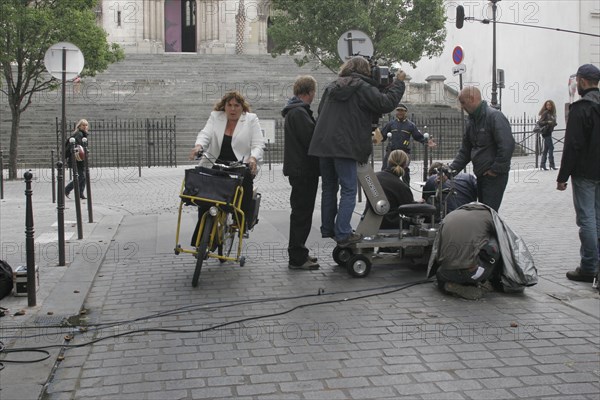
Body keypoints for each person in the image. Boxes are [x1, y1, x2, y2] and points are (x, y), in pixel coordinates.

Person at [308, 56, 407, 247]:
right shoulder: (362, 87)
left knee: (329, 188)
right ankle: (344, 232)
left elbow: (321, 111)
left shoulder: (332, 87)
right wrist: (399, 84)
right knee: (349, 189)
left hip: (323, 144)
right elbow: (385, 104)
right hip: (345, 146)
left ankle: (328, 228)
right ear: (365, 70)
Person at [189, 91, 265, 234]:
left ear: (242, 107)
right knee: (204, 196)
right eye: (229, 105)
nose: (233, 109)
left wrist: (253, 158)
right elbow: (205, 134)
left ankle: (242, 222)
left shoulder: (251, 119)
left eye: (236, 105)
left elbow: (258, 144)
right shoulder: (216, 117)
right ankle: (202, 232)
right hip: (215, 163)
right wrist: (199, 146)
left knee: (246, 183)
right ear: (224, 106)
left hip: (240, 165)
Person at [427, 203, 538, 300]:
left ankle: (450, 285)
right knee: (495, 242)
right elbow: (508, 240)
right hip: (473, 273)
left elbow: (437, 250)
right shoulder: (489, 216)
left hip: (444, 273)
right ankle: (484, 281)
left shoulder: (449, 216)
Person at [556, 63, 600, 284]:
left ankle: (589, 266)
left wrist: (562, 176)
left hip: (585, 171)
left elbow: (572, 145)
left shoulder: (581, 108)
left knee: (587, 220)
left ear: (582, 81)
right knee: (598, 218)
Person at [448, 86, 515, 212]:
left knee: (488, 214)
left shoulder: (494, 116)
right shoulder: (472, 121)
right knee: (484, 213)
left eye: (463, 102)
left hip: (493, 176)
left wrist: (495, 169)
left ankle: (491, 232)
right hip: (482, 174)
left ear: (472, 99)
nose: (462, 107)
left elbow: (507, 145)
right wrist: (450, 171)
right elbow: (465, 151)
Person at [282, 76, 320, 270]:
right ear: (310, 92)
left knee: (301, 212)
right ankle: (297, 257)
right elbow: (311, 139)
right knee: (301, 214)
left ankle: (300, 252)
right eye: (314, 92)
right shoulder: (299, 112)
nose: (315, 95)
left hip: (300, 169)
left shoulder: (296, 111)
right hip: (303, 170)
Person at [380, 103, 435, 184]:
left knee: (405, 171)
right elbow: (382, 136)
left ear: (406, 112)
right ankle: (386, 187)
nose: (400, 112)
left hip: (404, 152)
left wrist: (426, 142)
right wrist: (375, 137)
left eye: (402, 111)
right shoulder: (390, 124)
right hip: (391, 152)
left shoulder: (410, 125)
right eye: (398, 110)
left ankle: (406, 188)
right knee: (385, 169)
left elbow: (418, 136)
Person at [371, 150, 414, 229]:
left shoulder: (374, 177)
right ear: (405, 165)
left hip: (372, 221)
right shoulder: (401, 186)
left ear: (388, 161)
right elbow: (410, 209)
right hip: (393, 223)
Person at [64, 119, 89, 199]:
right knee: (81, 176)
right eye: (83, 125)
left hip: (78, 159)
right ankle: (66, 189)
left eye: (86, 125)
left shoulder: (81, 134)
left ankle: (80, 193)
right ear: (79, 126)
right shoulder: (79, 134)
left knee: (83, 176)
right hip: (77, 159)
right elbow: (78, 147)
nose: (85, 126)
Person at [538, 100, 558, 171]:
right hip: (546, 133)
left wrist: (554, 123)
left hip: (549, 132)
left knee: (546, 149)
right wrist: (547, 122)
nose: (548, 106)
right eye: (547, 105)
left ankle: (542, 165)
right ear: (545, 106)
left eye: (550, 105)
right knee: (551, 148)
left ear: (552, 106)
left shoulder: (552, 113)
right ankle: (552, 164)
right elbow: (540, 122)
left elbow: (553, 122)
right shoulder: (546, 113)